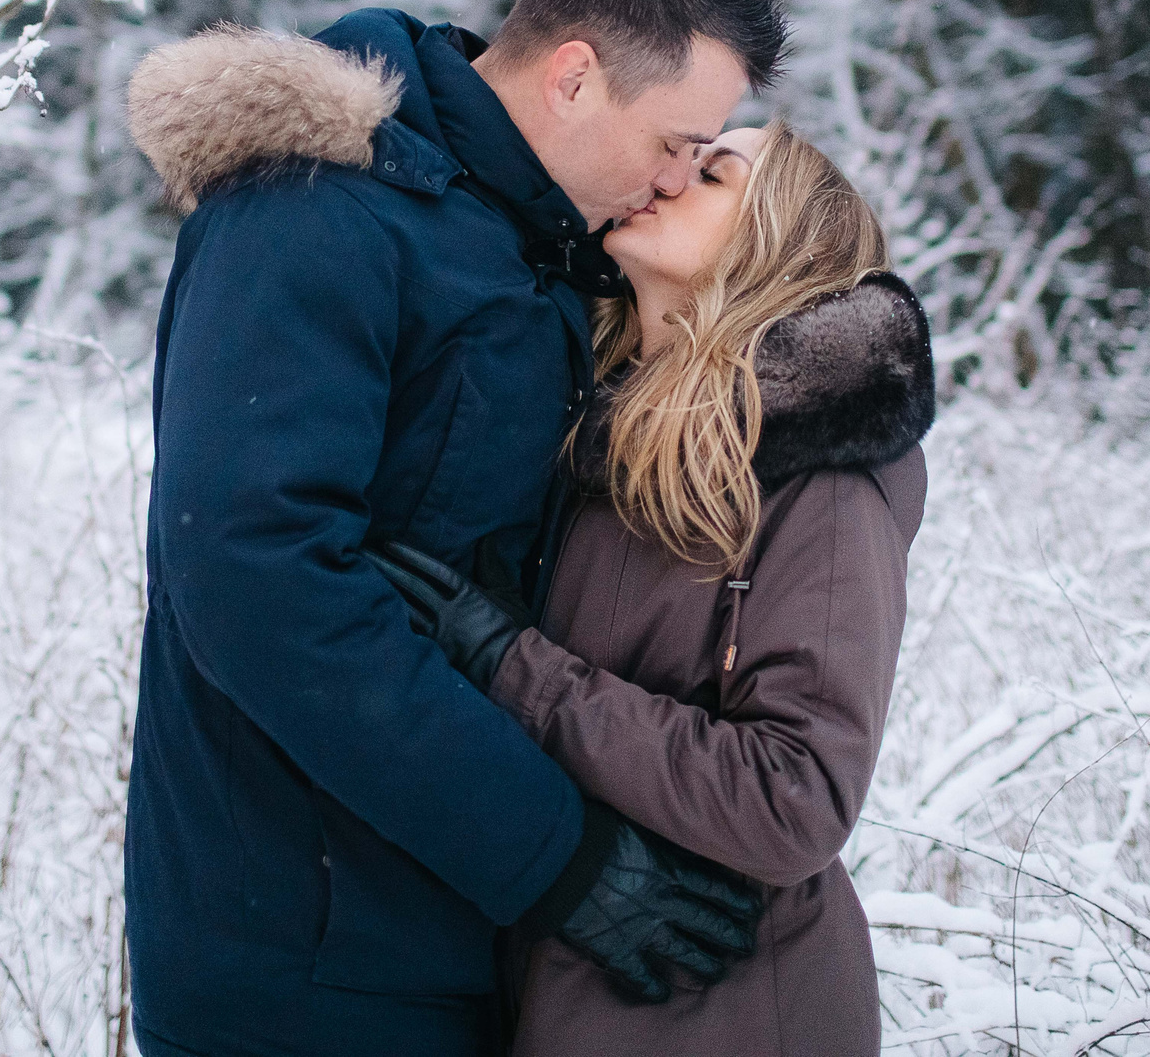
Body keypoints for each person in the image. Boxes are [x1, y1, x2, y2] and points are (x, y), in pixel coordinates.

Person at [121, 0, 789, 1057]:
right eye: (677, 141)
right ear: (575, 76)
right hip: (304, 956)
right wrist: (555, 857)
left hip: (441, 930)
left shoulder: (521, 244)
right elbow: (256, 582)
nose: (680, 178)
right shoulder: (316, 214)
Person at [374, 121, 936, 1056]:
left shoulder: (823, 471)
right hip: (568, 989)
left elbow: (797, 796)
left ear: (775, 241)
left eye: (713, 174)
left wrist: (515, 668)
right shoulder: (599, 426)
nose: (669, 177)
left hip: (732, 1005)